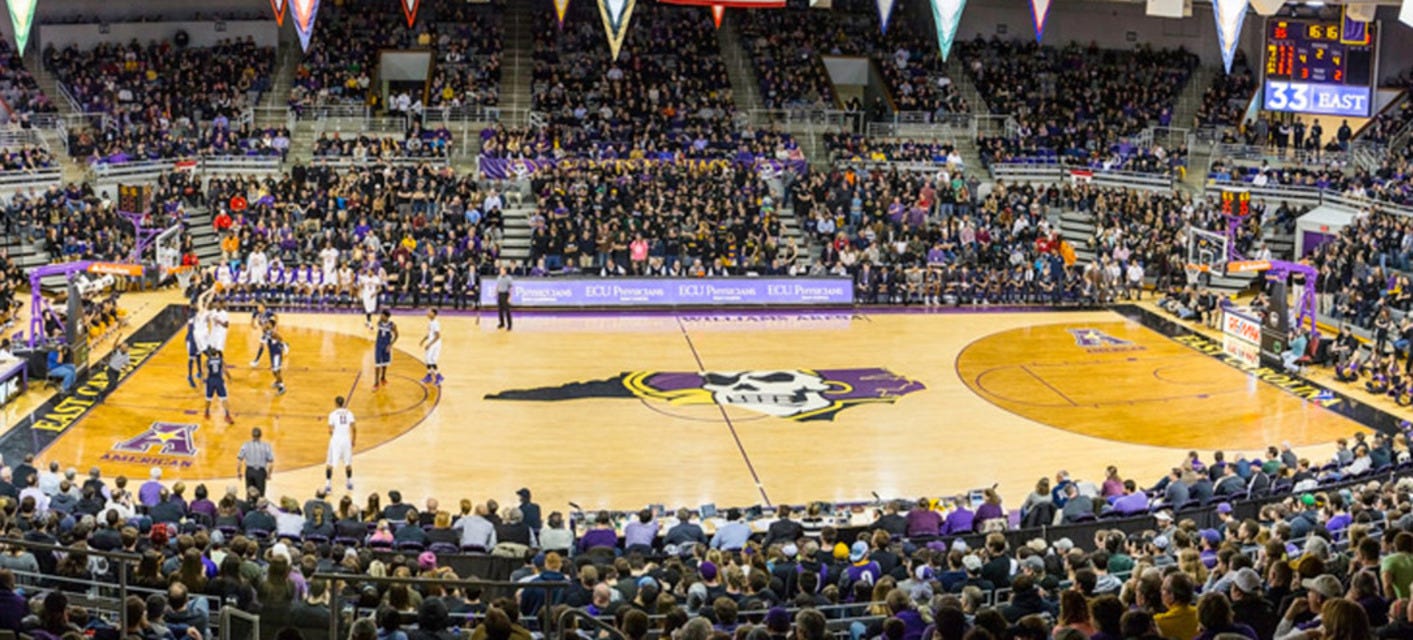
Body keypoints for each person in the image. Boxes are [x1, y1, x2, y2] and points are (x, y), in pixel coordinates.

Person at [325, 395, 356, 492]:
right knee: (348, 463)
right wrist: (353, 440)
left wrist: (334, 437)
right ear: (343, 403)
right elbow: (354, 428)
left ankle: (328, 485)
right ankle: (349, 482)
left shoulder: (332, 414)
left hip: (336, 440)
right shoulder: (349, 413)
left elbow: (330, 430)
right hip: (346, 440)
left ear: (335, 403)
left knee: (330, 463)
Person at [237, 427, 274, 496]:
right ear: (261, 435)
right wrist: (269, 474)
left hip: (250, 471)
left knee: (250, 494)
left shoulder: (246, 445)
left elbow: (239, 461)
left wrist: (239, 472)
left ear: (252, 435)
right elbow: (271, 463)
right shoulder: (266, 446)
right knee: (261, 495)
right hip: (260, 472)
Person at [203, 347, 234, 424]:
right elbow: (225, 370)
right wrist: (229, 378)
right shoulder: (221, 360)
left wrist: (204, 381)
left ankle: (206, 412)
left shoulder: (207, 361)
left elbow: (205, 373)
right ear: (216, 353)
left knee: (208, 398)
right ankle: (227, 415)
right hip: (219, 381)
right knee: (224, 398)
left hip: (210, 381)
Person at [373, 309, 398, 391]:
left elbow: (397, 335)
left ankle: (383, 377)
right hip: (379, 345)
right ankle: (376, 382)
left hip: (386, 346)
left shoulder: (392, 325)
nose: (380, 316)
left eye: (382, 315)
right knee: (377, 364)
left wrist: (390, 345)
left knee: (385, 363)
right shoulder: (379, 323)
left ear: (387, 317)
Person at [265, 317, 288, 395]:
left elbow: (281, 338)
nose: (266, 324)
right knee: (275, 370)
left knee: (276, 370)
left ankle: (282, 387)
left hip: (276, 354)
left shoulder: (273, 333)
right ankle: (278, 381)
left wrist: (282, 346)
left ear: (271, 325)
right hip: (272, 353)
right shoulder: (268, 331)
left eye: (268, 323)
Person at [420, 308, 443, 386]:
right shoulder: (430, 322)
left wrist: (429, 344)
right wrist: (423, 340)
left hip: (435, 344)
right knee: (428, 360)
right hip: (432, 343)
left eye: (429, 312)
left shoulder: (435, 323)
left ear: (434, 314)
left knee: (431, 361)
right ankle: (429, 376)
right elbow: (429, 334)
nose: (427, 313)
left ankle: (438, 376)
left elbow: (438, 336)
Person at [495, 266, 513, 330]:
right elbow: (497, 286)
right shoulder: (498, 277)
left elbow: (511, 288)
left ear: (505, 271)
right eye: (500, 271)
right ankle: (502, 323)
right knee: (500, 310)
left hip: (505, 295)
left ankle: (509, 325)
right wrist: (496, 292)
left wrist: (509, 297)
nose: (500, 272)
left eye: (502, 271)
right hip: (500, 294)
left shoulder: (509, 278)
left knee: (507, 311)